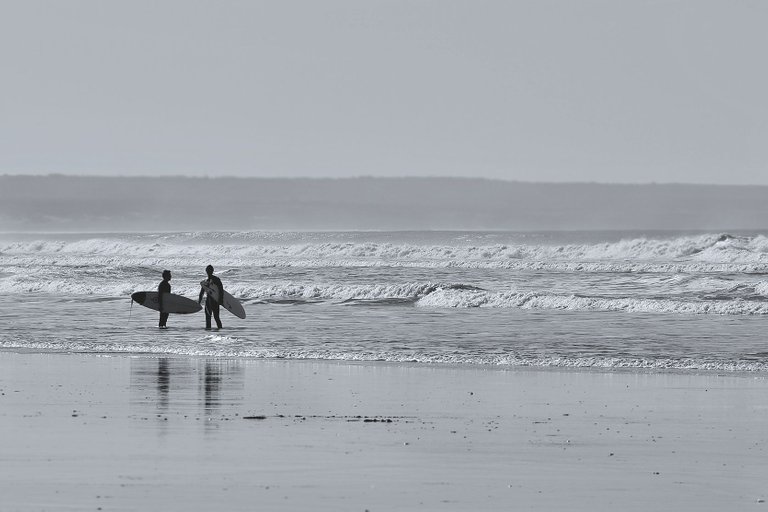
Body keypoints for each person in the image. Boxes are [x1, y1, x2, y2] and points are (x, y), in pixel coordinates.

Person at [199, 264, 224, 330]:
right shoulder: (205, 281)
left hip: (215, 301)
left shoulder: (216, 279)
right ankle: (208, 331)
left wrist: (220, 300)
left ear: (212, 271)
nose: (209, 272)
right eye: (208, 270)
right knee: (208, 318)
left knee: (216, 317)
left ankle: (220, 330)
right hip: (208, 301)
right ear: (206, 271)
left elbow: (221, 290)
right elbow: (201, 292)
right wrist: (199, 302)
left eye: (210, 270)